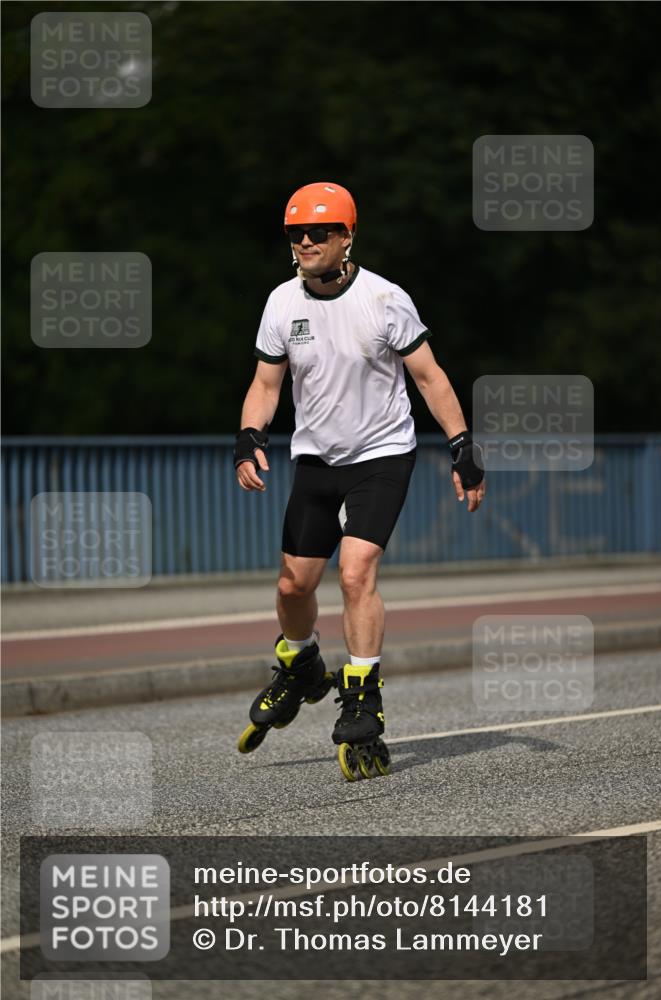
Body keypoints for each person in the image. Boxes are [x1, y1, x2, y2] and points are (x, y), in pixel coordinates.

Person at [234, 181, 484, 779]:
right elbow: (267, 385)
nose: (306, 242)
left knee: (355, 572)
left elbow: (429, 377)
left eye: (319, 232)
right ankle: (298, 663)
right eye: (297, 233)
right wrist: (249, 437)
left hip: (381, 455)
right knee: (294, 586)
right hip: (316, 459)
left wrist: (461, 446)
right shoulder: (280, 303)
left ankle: (363, 698)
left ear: (348, 236)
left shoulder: (384, 299)